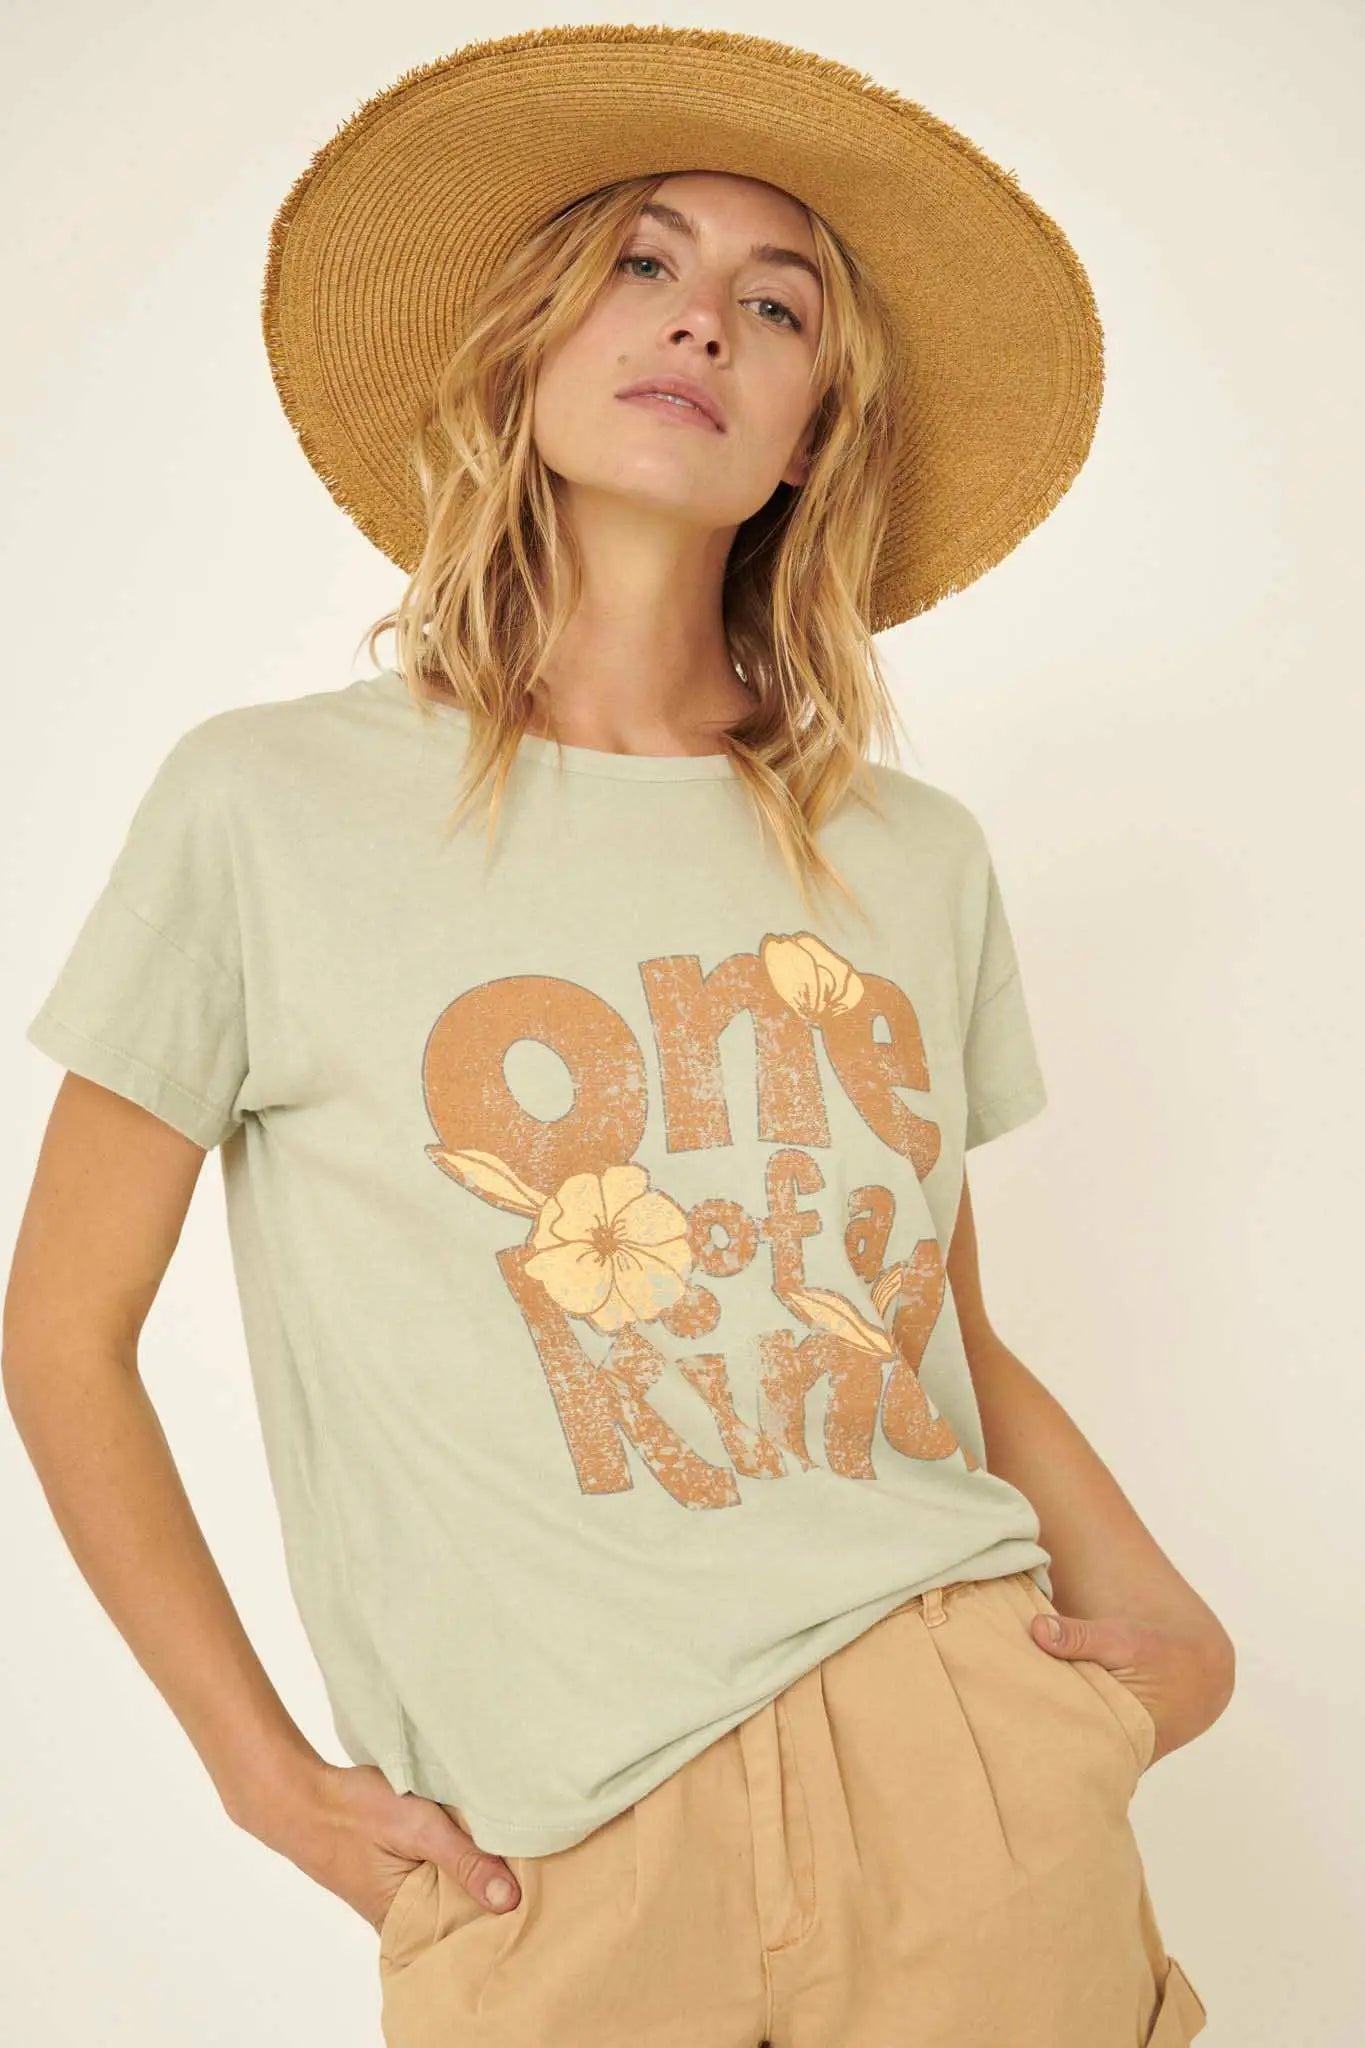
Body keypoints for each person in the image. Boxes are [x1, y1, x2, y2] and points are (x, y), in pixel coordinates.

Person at [6, 24, 1232, 2046]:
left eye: (777, 305)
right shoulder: (265, 807)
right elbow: (61, 1335)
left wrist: (1166, 1630)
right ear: (523, 347)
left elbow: (927, 1317)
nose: (701, 324)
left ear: (808, 435)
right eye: (641, 265)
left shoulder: (908, 855)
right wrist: (262, 1777)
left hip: (963, 1773)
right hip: (550, 1843)